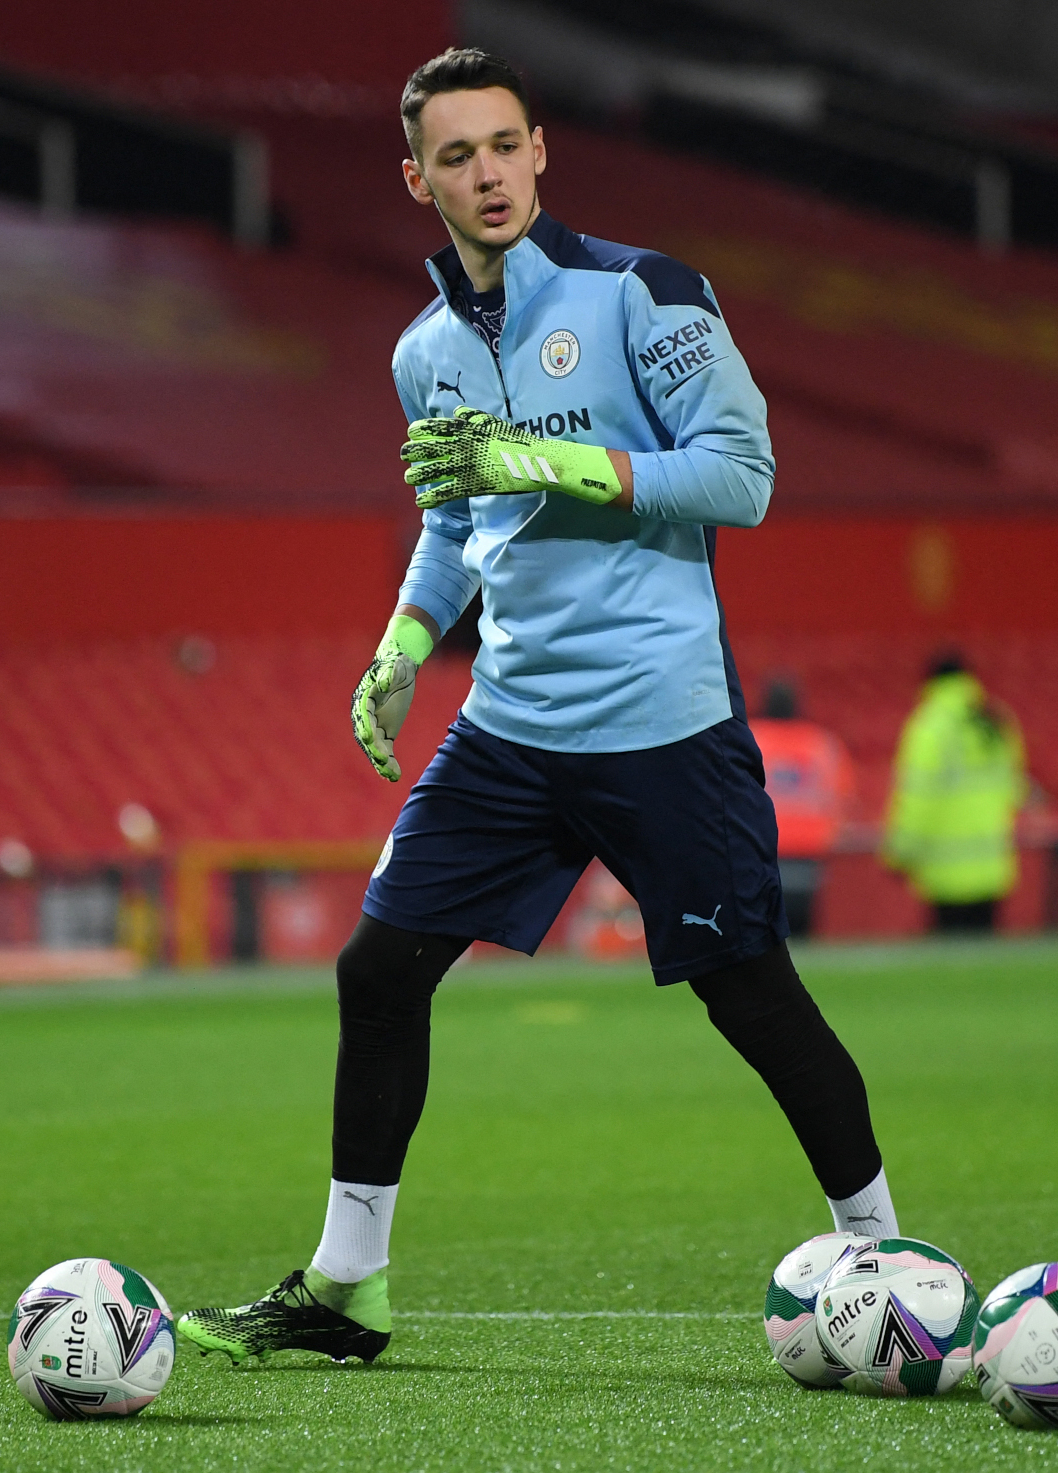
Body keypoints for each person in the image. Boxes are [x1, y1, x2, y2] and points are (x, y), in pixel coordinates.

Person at [179, 47, 897, 1367]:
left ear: (540, 149)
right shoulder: (424, 352)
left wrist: (544, 455)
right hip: (509, 727)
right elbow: (458, 524)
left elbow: (742, 476)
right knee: (378, 969)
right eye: (455, 156)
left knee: (749, 991)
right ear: (417, 180)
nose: (486, 173)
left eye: (503, 145)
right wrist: (402, 641)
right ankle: (347, 1290)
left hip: (663, 723)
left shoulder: (644, 294)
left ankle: (892, 1261)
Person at [883, 651, 1026, 934]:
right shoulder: (995, 722)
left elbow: (917, 799)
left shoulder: (930, 728)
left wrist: (901, 853)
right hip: (992, 868)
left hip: (945, 873)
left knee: (949, 968)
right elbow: (1014, 791)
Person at [752, 678, 855, 937]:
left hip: (762, 848)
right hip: (812, 848)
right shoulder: (822, 743)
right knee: (802, 928)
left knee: (762, 928)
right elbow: (843, 797)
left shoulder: (750, 739)